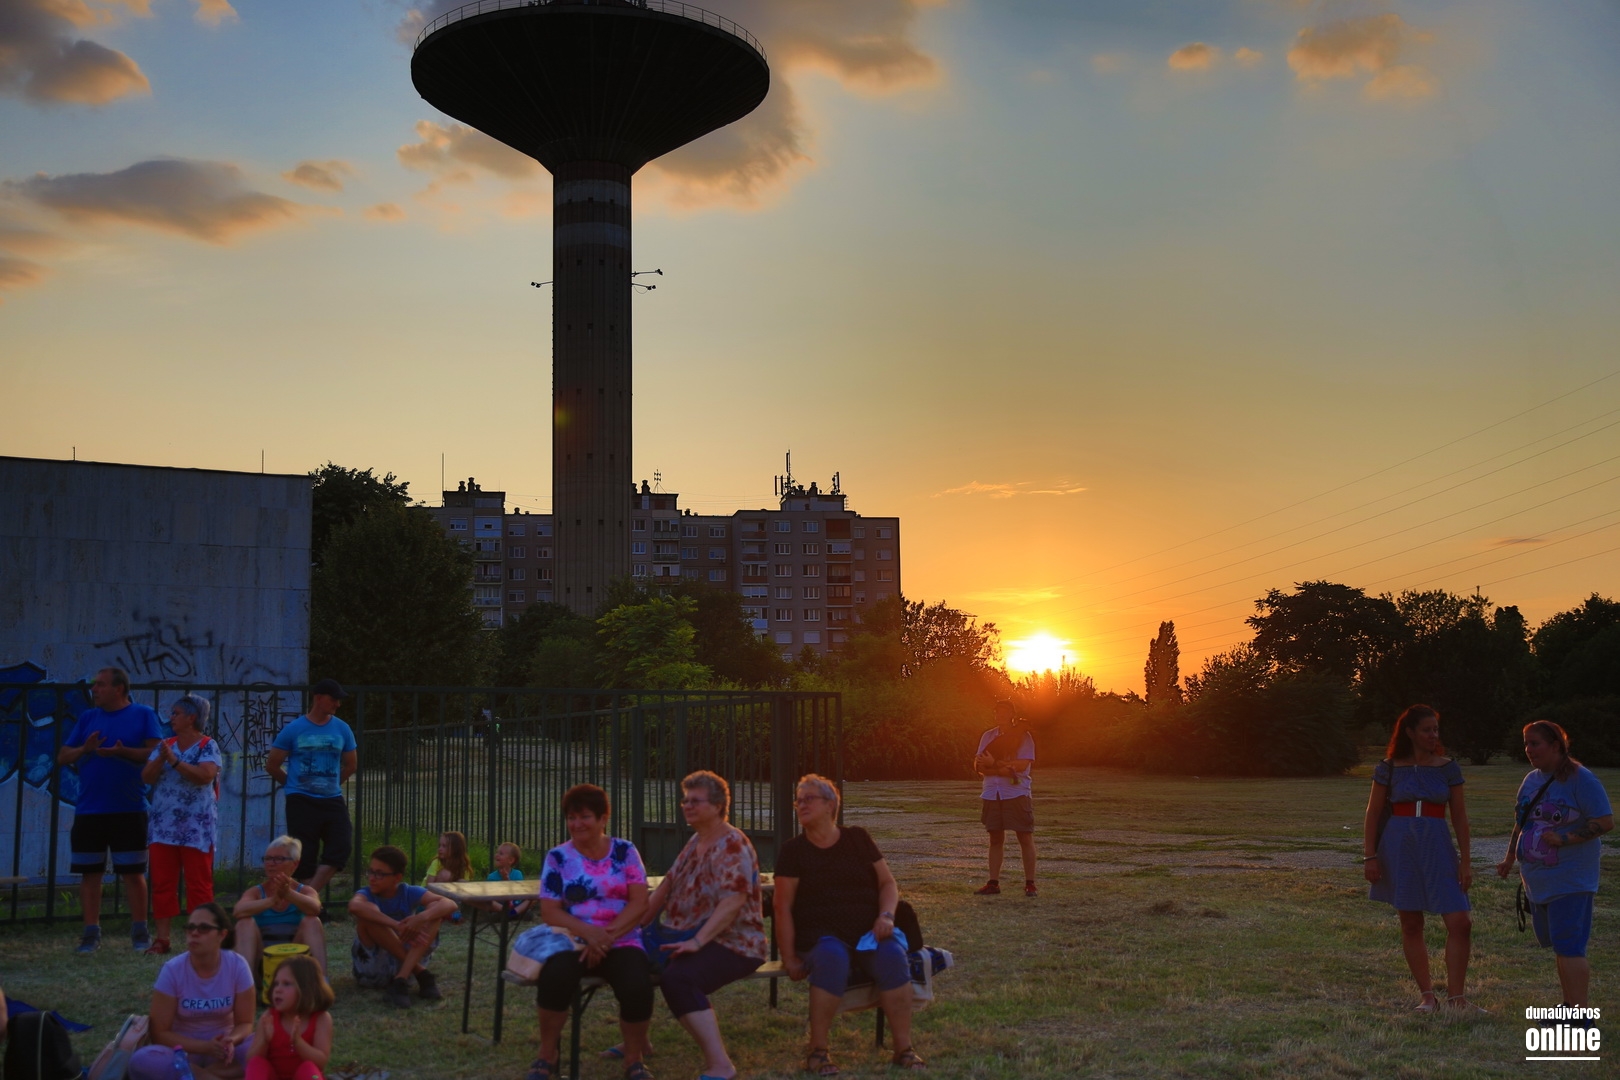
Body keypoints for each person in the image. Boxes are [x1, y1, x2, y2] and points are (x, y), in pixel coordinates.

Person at [775, 774, 925, 1074]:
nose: (801, 805)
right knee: (832, 956)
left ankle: (903, 1049)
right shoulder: (793, 851)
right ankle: (817, 1051)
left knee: (893, 956)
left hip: (868, 932)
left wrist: (886, 915)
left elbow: (887, 884)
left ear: (831, 804)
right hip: (819, 936)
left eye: (808, 799)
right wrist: (789, 957)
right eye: (798, 800)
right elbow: (782, 907)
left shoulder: (857, 839)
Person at [643, 770, 768, 1080]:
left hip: (734, 943)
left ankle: (721, 1065)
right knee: (628, 958)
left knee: (679, 978)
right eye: (685, 800)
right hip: (682, 934)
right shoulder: (696, 840)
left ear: (717, 805)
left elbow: (733, 901)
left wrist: (697, 943)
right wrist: (633, 927)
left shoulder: (731, 844)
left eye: (695, 801)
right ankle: (637, 1041)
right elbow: (666, 886)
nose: (687, 806)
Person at [525, 785, 652, 1080]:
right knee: (555, 977)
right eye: (571, 817)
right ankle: (547, 1054)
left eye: (584, 816)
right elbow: (550, 911)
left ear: (603, 818)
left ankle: (633, 1059)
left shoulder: (625, 851)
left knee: (637, 984)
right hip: (572, 939)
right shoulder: (558, 857)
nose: (577, 824)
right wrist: (589, 934)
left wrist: (605, 937)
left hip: (621, 938)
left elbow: (639, 902)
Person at [1362, 705, 1476, 1012]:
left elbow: (1460, 816)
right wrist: (1370, 856)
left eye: (1435, 729)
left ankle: (1457, 998)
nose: (1433, 735)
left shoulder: (1448, 768)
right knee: (1411, 922)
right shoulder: (1388, 768)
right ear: (1410, 732)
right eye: (1427, 730)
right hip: (1399, 845)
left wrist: (1465, 861)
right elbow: (1373, 812)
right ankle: (1427, 997)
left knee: (1460, 921)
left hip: (1437, 844)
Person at [1496, 720, 1614, 1009]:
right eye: (1526, 743)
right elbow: (1521, 822)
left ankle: (1581, 1016)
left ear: (1556, 746)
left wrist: (1566, 838)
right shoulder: (1531, 780)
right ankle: (1568, 1006)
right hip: (1538, 881)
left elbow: (1605, 821)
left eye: (1535, 743)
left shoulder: (1580, 779)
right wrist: (1510, 857)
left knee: (1570, 948)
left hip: (1571, 879)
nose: (1528, 749)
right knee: (1561, 948)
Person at [57, 666, 162, 952]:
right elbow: (63, 756)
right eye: (94, 684)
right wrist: (85, 749)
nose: (94, 689)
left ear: (119, 688)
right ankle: (91, 934)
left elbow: (156, 753)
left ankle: (140, 932)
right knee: (90, 874)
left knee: (133, 873)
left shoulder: (143, 714)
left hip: (129, 808)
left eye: (101, 684)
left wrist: (123, 751)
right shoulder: (88, 718)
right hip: (89, 811)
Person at [127, 901, 256, 1080]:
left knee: (262, 1044)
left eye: (203, 928)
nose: (194, 933)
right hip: (183, 1052)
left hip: (223, 1053)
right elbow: (159, 1033)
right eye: (190, 927)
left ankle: (193, 1076)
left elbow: (246, 1023)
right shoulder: (172, 970)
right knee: (143, 1060)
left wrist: (230, 1041)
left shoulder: (237, 965)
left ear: (222, 934)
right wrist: (205, 1047)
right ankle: (207, 1076)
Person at [141, 693, 222, 955]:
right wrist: (162, 758)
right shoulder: (165, 745)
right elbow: (147, 777)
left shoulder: (207, 746)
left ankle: (201, 937)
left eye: (176, 713)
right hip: (163, 828)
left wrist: (175, 761)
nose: (171, 718)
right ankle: (162, 939)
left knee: (198, 885)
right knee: (162, 884)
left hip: (196, 828)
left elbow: (205, 776)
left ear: (191, 718)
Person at [265, 679, 357, 894]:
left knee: (341, 846)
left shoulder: (342, 728)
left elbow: (351, 764)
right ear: (318, 698)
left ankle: (307, 897)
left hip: (331, 799)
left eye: (339, 700)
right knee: (305, 855)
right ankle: (310, 904)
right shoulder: (294, 729)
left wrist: (331, 784)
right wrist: (293, 786)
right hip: (301, 800)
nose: (337, 704)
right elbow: (272, 765)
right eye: (333, 699)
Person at [347, 844, 457, 1009]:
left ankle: (401, 980)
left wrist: (421, 918)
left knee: (434, 911)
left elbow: (450, 904)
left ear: (397, 877)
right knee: (368, 915)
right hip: (374, 971)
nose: (372, 878)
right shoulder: (366, 894)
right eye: (371, 871)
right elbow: (354, 906)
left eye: (380, 874)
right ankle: (421, 973)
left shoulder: (408, 891)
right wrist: (397, 926)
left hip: (405, 972)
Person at [233, 837, 328, 979]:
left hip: (295, 958)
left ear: (294, 864)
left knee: (312, 921)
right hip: (263, 959)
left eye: (278, 859)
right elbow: (238, 911)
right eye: (268, 859)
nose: (271, 863)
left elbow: (315, 908)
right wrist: (272, 901)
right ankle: (245, 983)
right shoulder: (256, 892)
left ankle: (321, 981)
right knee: (244, 923)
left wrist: (289, 894)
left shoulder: (305, 891)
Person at [973, 700, 1036, 897]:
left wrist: (994, 764)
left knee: (1024, 837)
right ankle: (993, 883)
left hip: (1016, 792)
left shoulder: (1024, 736)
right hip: (992, 792)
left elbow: (1021, 766)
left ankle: (1030, 884)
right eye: (997, 711)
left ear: (1012, 714)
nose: (1000, 715)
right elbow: (978, 766)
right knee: (995, 838)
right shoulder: (988, 736)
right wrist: (1002, 768)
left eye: (1004, 711)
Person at [245, 955, 333, 1080]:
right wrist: (264, 1041)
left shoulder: (321, 1019)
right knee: (256, 1064)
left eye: (286, 984)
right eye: (276, 983)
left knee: (309, 1069)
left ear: (306, 988)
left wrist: (298, 1043)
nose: (277, 989)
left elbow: (321, 1062)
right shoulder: (269, 1018)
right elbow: (250, 1059)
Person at [484, 841, 532, 919]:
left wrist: (507, 881)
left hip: (515, 902)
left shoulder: (517, 874)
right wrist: (504, 881)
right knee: (488, 900)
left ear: (511, 860)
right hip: (500, 903)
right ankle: (511, 913)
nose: (497, 855)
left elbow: (517, 892)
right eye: (497, 852)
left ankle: (510, 913)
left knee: (531, 898)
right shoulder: (492, 876)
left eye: (501, 853)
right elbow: (492, 894)